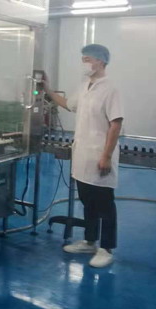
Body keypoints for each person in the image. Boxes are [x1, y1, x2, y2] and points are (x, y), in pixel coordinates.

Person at [44, 44, 124, 268]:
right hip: (82, 156)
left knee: (104, 204)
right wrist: (48, 90)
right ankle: (90, 241)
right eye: (83, 59)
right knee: (87, 201)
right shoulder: (86, 86)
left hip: (99, 155)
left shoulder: (110, 88)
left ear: (101, 61)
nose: (84, 63)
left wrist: (106, 156)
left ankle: (106, 248)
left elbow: (116, 124)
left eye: (87, 59)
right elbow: (68, 104)